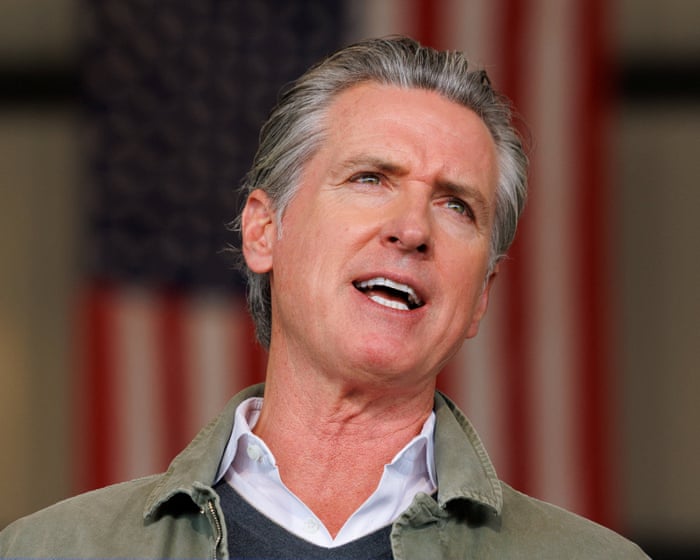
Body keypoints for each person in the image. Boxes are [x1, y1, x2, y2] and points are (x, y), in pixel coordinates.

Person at [0, 36, 648, 559]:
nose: (412, 229)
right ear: (263, 231)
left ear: (482, 295)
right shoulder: (52, 550)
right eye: (370, 178)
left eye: (456, 205)